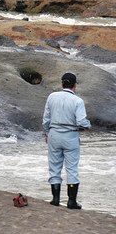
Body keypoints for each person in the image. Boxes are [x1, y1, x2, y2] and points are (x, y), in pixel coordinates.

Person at [42, 72, 91, 209]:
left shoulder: (51, 97)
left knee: (54, 167)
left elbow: (46, 119)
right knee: (72, 169)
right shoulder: (78, 101)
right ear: (75, 85)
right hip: (71, 136)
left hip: (54, 135)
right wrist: (88, 125)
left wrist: (46, 133)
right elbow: (81, 122)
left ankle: (55, 199)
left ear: (62, 83)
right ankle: (71, 202)